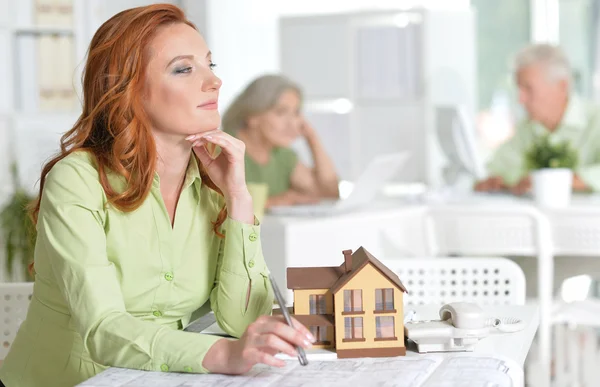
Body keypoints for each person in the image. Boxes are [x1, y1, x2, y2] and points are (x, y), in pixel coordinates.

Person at [0, 5, 315, 387]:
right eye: (184, 69)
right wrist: (225, 354)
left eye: (210, 65)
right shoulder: (77, 180)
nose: (213, 82)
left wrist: (239, 200)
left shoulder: (214, 186)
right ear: (128, 91)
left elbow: (242, 319)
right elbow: (103, 328)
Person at [475, 44, 600, 194]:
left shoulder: (595, 120)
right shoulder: (527, 128)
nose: (520, 99)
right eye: (519, 89)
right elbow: (496, 170)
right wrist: (498, 182)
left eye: (528, 89)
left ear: (562, 86)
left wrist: (565, 181)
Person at [222, 74, 339, 207]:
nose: (293, 123)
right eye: (281, 112)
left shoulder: (282, 155)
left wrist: (312, 139)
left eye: (296, 113)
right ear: (252, 116)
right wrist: (272, 202)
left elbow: (329, 194)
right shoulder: (225, 148)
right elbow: (215, 206)